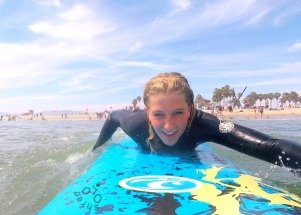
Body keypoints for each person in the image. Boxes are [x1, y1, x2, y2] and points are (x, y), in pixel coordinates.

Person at [92, 72, 301, 170]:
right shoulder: (133, 122)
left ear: (190, 109)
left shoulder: (206, 125)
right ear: (147, 112)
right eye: (158, 114)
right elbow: (112, 118)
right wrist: (98, 148)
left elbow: (267, 145)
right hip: (143, 151)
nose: (168, 125)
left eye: (178, 112)